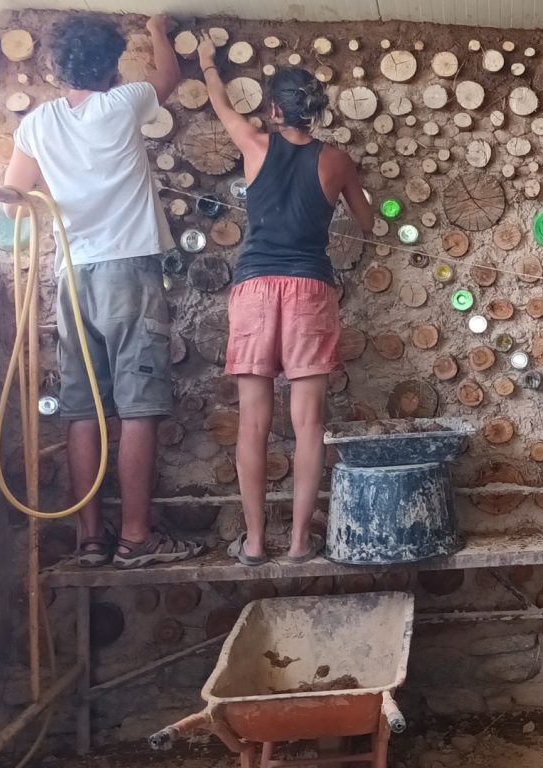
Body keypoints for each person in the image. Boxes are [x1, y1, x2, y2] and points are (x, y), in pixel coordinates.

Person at [4, 14, 204, 569]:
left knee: (82, 408)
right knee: (138, 406)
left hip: (72, 274)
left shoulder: (38, 124)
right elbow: (167, 75)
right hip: (128, 270)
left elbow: (14, 193)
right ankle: (137, 538)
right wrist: (159, 28)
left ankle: (92, 539)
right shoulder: (123, 103)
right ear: (112, 65)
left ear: (53, 66)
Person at [198, 38, 373, 565]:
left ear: (275, 110)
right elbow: (367, 223)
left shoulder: (254, 143)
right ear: (314, 111)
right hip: (310, 291)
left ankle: (254, 542)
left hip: (253, 290)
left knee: (252, 423)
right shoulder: (336, 159)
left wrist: (208, 61)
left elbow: (220, 103)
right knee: (308, 425)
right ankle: (299, 542)